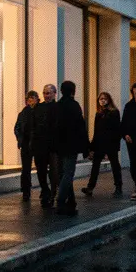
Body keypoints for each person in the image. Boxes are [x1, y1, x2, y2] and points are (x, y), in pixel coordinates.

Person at [54, 81, 89, 215]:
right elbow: (81, 127)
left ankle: (71, 201)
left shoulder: (57, 106)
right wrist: (86, 146)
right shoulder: (74, 106)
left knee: (63, 174)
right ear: (73, 91)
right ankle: (61, 201)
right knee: (68, 174)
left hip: (59, 145)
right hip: (71, 145)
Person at [82, 92, 123, 197]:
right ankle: (90, 187)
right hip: (100, 144)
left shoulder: (114, 112)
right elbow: (96, 131)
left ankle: (118, 187)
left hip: (111, 143)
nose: (102, 101)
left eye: (104, 99)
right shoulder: (99, 113)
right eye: (100, 99)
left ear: (108, 100)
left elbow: (117, 130)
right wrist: (92, 146)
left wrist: (115, 144)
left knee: (115, 165)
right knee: (95, 166)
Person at [31, 84, 60, 207]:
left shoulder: (58, 107)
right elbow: (32, 124)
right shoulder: (38, 108)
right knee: (41, 170)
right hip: (40, 144)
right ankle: (45, 190)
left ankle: (52, 192)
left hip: (53, 145)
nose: (46, 95)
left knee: (54, 171)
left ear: (54, 94)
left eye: (48, 93)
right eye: (44, 93)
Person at [13, 91, 39, 201]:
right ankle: (25, 191)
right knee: (26, 169)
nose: (30, 101)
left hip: (38, 144)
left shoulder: (40, 111)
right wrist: (20, 140)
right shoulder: (23, 113)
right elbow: (17, 128)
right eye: (29, 99)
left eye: (33, 98)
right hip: (26, 145)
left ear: (37, 99)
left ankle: (46, 191)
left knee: (41, 168)